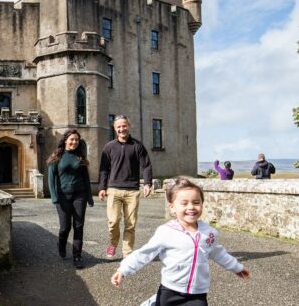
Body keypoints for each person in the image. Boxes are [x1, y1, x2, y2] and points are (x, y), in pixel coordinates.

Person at [111, 177, 250, 306]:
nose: (191, 207)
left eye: (196, 202)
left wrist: (236, 267)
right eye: (184, 203)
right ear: (172, 207)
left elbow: (218, 252)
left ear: (202, 204)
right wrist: (123, 270)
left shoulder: (209, 233)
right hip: (170, 290)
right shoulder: (166, 231)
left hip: (198, 293)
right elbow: (144, 253)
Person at [98, 115, 153, 259]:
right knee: (113, 221)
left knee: (130, 224)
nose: (122, 129)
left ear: (129, 126)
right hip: (114, 189)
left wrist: (147, 183)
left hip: (132, 191)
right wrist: (102, 187)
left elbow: (146, 166)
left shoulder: (137, 146)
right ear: (115, 129)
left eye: (124, 126)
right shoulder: (109, 147)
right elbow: (103, 168)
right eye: (119, 127)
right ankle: (113, 243)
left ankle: (127, 252)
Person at [47, 129, 94, 269]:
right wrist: (54, 197)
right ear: (66, 140)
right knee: (65, 227)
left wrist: (89, 197)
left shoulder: (80, 157)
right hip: (62, 196)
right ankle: (61, 244)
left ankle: (77, 256)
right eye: (72, 139)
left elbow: (86, 178)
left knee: (79, 226)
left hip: (80, 195)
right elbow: (51, 178)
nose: (74, 142)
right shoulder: (57, 156)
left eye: (76, 140)